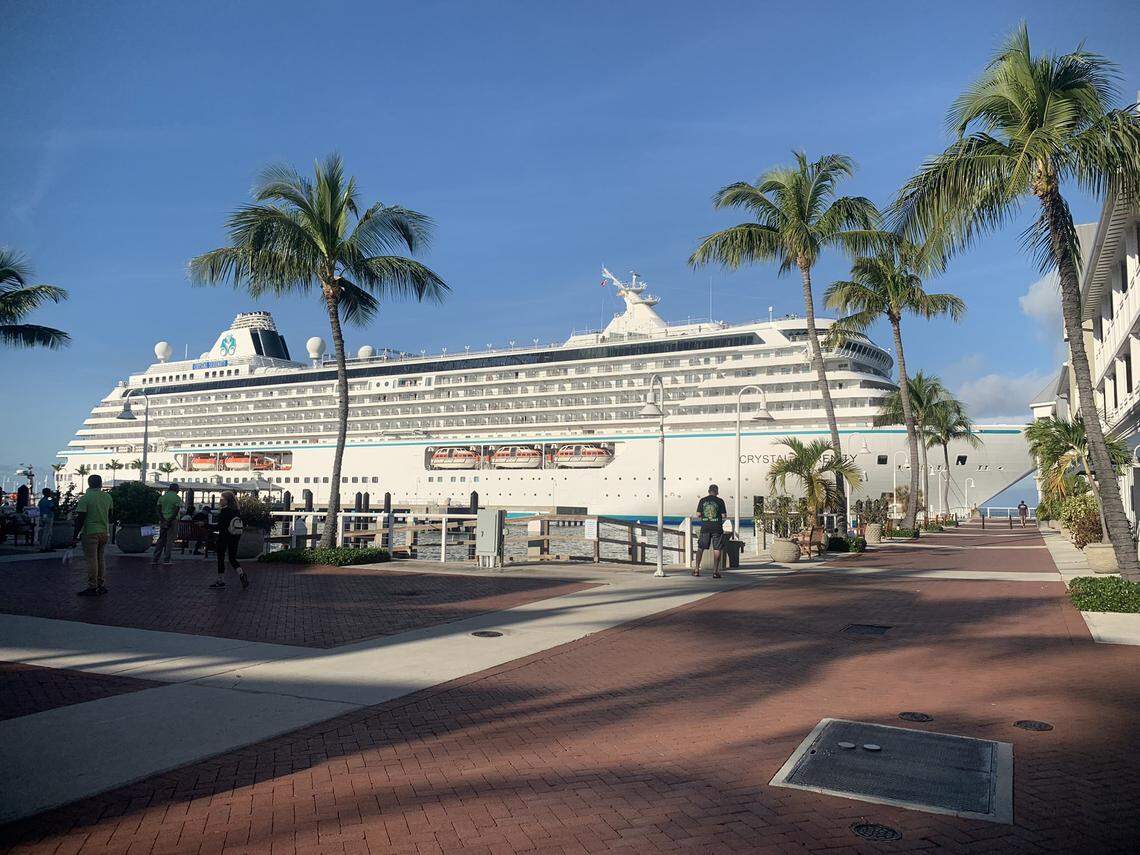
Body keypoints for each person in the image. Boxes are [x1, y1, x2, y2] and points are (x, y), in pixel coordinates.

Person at [72, 474, 114, 596]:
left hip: (90, 531)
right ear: (101, 484)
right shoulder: (108, 497)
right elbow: (111, 515)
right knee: (101, 558)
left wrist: (75, 536)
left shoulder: (85, 498)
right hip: (104, 532)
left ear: (89, 483)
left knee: (91, 560)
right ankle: (101, 584)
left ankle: (92, 585)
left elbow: (80, 518)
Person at [210, 491, 249, 590]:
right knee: (232, 558)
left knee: (221, 558)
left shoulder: (224, 511)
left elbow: (219, 527)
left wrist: (205, 525)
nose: (220, 501)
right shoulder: (236, 511)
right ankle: (241, 573)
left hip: (224, 537)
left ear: (227, 500)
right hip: (235, 536)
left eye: (222, 499)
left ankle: (220, 581)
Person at [693, 484, 728, 579]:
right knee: (717, 549)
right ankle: (715, 572)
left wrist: (705, 517)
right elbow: (724, 515)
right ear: (717, 491)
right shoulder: (720, 501)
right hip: (717, 527)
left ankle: (696, 570)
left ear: (709, 491)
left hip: (705, 527)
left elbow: (698, 514)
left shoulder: (702, 500)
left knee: (700, 548)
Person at [151, 483, 182, 566]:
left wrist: (163, 520)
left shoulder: (162, 497)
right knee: (169, 541)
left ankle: (155, 559)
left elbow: (158, 510)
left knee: (161, 540)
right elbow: (176, 510)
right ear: (176, 490)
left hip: (163, 521)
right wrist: (169, 520)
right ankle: (166, 559)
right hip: (173, 521)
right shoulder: (177, 498)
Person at [37, 488, 58, 552]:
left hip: (42, 516)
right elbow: (53, 508)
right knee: (48, 533)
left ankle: (44, 546)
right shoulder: (49, 500)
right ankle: (45, 547)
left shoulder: (41, 501)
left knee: (44, 532)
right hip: (49, 516)